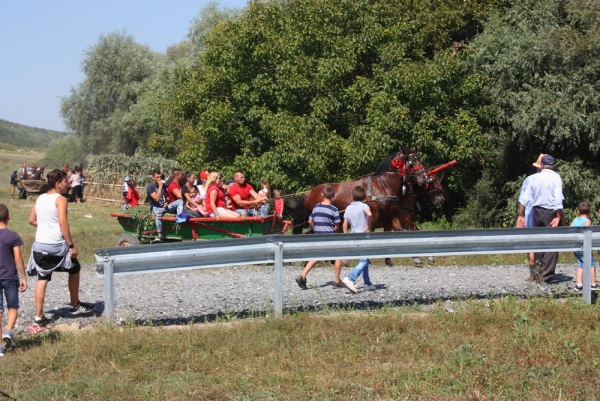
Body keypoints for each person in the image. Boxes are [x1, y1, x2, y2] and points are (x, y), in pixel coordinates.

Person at [27, 169, 94, 326]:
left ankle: (38, 316)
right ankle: (75, 305)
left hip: (39, 245)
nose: (68, 184)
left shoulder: (40, 198)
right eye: (66, 181)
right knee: (75, 268)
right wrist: (71, 246)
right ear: (58, 184)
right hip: (55, 245)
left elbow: (31, 220)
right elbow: (63, 223)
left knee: (42, 277)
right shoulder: (60, 199)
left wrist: (45, 225)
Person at [517, 154, 564, 282]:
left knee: (539, 241)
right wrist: (558, 216)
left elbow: (524, 199)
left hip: (537, 211)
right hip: (550, 211)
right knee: (552, 243)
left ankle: (537, 273)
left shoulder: (534, 179)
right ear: (553, 166)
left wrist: (521, 215)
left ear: (542, 165)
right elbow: (558, 199)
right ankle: (547, 276)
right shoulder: (556, 178)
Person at [295, 185, 344, 289]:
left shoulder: (316, 207)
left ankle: (302, 276)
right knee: (338, 256)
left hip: (319, 235)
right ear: (333, 196)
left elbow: (310, 221)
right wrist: (335, 230)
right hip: (330, 236)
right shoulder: (334, 209)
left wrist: (315, 228)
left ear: (322, 194)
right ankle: (336, 281)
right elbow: (336, 226)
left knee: (318, 256)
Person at [0, 204, 27, 356]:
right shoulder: (13, 235)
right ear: (8, 217)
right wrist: (23, 277)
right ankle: (8, 331)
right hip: (10, 276)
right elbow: (18, 257)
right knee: (13, 306)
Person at [341, 186, 376, 293]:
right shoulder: (364, 206)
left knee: (363, 259)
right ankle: (350, 278)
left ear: (352, 197)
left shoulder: (348, 208)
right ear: (364, 196)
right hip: (364, 237)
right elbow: (369, 214)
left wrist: (346, 236)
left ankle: (367, 283)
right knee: (365, 260)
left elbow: (345, 224)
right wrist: (368, 226)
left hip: (353, 237)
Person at [517, 154, 545, 273]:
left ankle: (533, 273)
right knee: (545, 242)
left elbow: (523, 199)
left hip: (529, 214)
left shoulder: (529, 179)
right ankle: (544, 272)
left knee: (530, 243)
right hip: (546, 214)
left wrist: (521, 215)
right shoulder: (552, 179)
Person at [147, 169, 183, 243]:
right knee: (158, 214)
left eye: (160, 177)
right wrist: (160, 187)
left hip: (163, 207)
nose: (159, 179)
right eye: (157, 177)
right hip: (155, 208)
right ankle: (159, 234)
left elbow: (167, 197)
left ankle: (179, 218)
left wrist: (166, 202)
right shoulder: (150, 187)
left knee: (179, 201)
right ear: (153, 177)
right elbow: (156, 199)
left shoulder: (163, 185)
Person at [571, 201, 598, 291]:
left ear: (578, 211)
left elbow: (570, 229)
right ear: (590, 211)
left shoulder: (574, 220)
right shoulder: (588, 221)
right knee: (591, 264)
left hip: (576, 246)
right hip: (584, 246)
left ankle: (578, 284)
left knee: (581, 264)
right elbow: (586, 231)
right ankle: (593, 284)